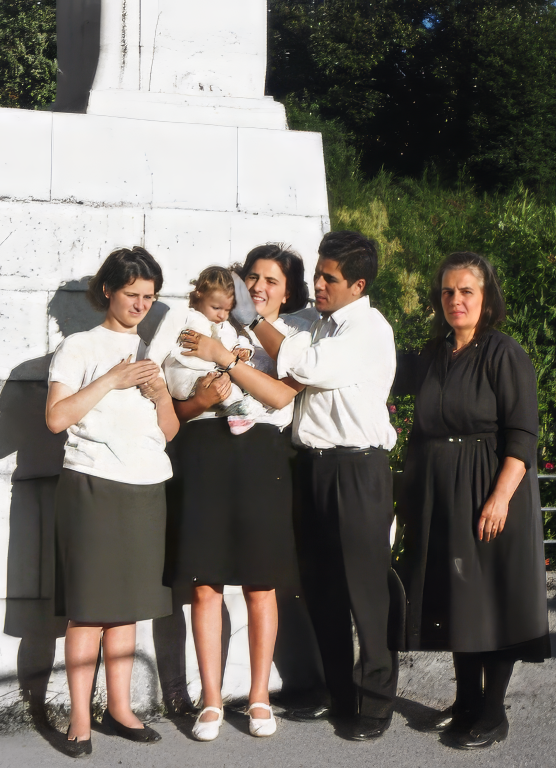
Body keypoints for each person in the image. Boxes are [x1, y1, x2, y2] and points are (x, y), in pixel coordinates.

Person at [181, 230, 399, 742]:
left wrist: (246, 329)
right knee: (320, 588)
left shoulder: (367, 328)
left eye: (330, 279)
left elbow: (301, 368)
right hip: (312, 464)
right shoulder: (315, 323)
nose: (320, 285)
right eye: (318, 275)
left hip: (357, 466)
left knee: (365, 590)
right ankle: (337, 692)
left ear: (358, 285)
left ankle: (375, 702)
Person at [396, 251, 550, 750]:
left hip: (490, 490)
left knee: (491, 599)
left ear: (486, 297)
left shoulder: (505, 353)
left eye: (466, 291)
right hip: (442, 494)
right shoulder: (433, 353)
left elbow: (522, 435)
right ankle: (465, 702)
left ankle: (493, 711)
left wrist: (500, 498)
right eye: (447, 291)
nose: (455, 300)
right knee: (458, 598)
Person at [159, 244, 312, 742]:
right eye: (253, 278)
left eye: (272, 281)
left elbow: (280, 396)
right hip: (203, 451)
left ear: (288, 292)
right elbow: (177, 398)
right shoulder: (205, 319)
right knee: (204, 583)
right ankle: (210, 700)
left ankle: (259, 695)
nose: (259, 288)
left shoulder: (294, 336)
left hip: (261, 455)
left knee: (260, 583)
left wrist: (222, 357)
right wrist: (202, 390)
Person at [45, 246, 178, 756]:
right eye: (132, 294)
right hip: (93, 484)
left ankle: (120, 709)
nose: (141, 304)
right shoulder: (78, 346)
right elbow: (56, 418)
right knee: (89, 609)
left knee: (129, 607)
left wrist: (160, 394)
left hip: (146, 487)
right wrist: (111, 380)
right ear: (108, 290)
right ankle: (80, 718)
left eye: (150, 296)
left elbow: (167, 432)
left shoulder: (152, 352)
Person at [161, 266, 258, 433]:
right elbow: (160, 345)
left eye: (227, 310)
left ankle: (237, 413)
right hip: (186, 373)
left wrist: (241, 349)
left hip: (212, 375)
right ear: (199, 295)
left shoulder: (226, 325)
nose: (222, 315)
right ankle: (237, 410)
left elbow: (235, 339)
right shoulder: (184, 316)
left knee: (237, 382)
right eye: (216, 308)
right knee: (226, 387)